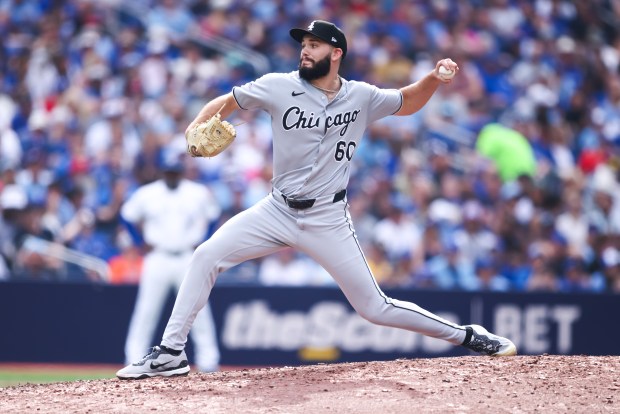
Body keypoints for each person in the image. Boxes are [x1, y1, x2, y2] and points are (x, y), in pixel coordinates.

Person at [117, 20, 516, 380]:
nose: (305, 50)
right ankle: (171, 353)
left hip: (327, 217)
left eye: (315, 44)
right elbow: (228, 101)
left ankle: (468, 335)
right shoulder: (277, 84)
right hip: (275, 210)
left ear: (336, 53)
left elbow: (407, 102)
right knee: (205, 255)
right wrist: (196, 124)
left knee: (374, 308)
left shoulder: (361, 96)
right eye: (303, 44)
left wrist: (432, 78)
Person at [118, 150, 221, 376]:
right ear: (162, 172)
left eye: (175, 172)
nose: (172, 176)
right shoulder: (148, 193)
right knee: (146, 311)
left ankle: (208, 361)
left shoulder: (197, 192)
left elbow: (214, 215)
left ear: (181, 172)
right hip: (158, 257)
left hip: (187, 256)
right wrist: (139, 242)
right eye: (168, 172)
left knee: (199, 309)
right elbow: (126, 216)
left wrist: (205, 242)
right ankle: (133, 359)